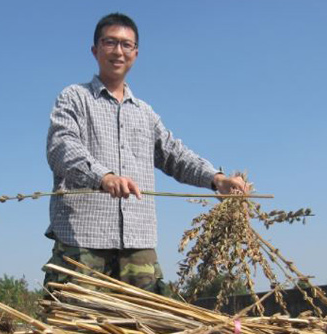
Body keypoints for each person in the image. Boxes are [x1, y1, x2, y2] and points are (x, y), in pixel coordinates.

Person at [43, 12, 247, 296]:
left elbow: (175, 154)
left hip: (138, 245)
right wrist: (103, 176)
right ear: (95, 50)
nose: (118, 51)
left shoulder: (145, 113)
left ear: (136, 54)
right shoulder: (73, 98)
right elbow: (61, 147)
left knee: (145, 333)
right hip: (83, 243)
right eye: (110, 42)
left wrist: (216, 179)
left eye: (126, 45)